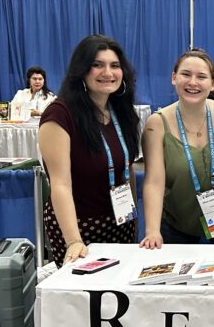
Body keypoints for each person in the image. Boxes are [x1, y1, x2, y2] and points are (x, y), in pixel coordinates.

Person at [38, 35, 141, 266]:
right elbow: (60, 184)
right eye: (97, 65)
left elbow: (128, 167)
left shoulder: (121, 112)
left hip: (120, 221)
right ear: (82, 71)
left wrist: (134, 221)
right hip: (78, 226)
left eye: (115, 66)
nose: (108, 72)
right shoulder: (60, 115)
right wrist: (74, 240)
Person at [140, 49, 214, 248]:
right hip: (177, 228)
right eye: (186, 74)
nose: (193, 82)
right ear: (174, 78)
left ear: (213, 84)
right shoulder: (156, 125)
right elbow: (154, 181)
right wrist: (152, 231)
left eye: (201, 76)